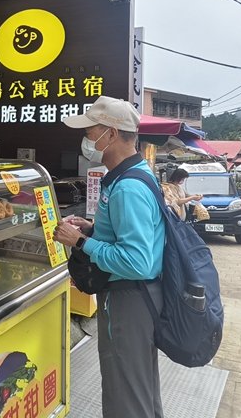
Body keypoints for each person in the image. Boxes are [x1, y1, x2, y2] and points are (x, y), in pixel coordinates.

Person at [52, 96, 165, 418]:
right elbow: (129, 235)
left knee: (124, 393)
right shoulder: (134, 174)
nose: (86, 140)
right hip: (137, 297)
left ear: (111, 134)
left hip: (129, 298)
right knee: (138, 387)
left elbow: (136, 262)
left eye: (90, 132)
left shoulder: (128, 187)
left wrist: (81, 242)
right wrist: (93, 229)